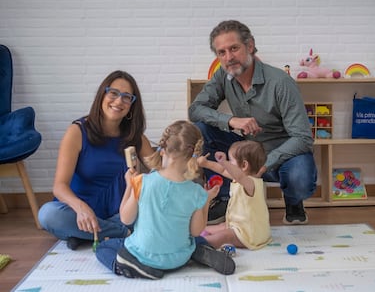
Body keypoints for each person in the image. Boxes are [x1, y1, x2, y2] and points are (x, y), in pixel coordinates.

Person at [188, 20, 317, 225]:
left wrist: (267, 162)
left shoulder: (281, 83)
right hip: (248, 149)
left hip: (284, 153)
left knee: (300, 180)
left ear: (249, 46)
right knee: (201, 130)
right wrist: (231, 120)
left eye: (234, 48)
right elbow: (195, 110)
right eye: (221, 52)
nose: (229, 58)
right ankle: (223, 197)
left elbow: (302, 138)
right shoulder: (223, 75)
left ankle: (293, 201)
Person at [95, 120, 236, 279]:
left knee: (103, 248)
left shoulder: (142, 181)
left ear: (162, 150)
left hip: (143, 255)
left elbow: (126, 218)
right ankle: (202, 251)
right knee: (193, 238)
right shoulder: (198, 192)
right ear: (193, 155)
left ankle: (131, 265)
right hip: (179, 258)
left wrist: (130, 185)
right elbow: (196, 231)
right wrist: (207, 200)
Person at [38, 70, 154, 250]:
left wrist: (184, 158)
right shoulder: (77, 132)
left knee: (154, 210)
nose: (118, 101)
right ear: (102, 94)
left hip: (120, 214)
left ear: (132, 105)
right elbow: (59, 186)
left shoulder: (136, 137)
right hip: (81, 214)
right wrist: (80, 208)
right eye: (113, 93)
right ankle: (121, 234)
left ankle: (88, 235)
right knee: (48, 214)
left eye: (126, 97)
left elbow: (162, 173)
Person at [197, 140, 272, 250]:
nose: (228, 164)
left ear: (244, 165)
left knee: (224, 236)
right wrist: (206, 164)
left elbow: (239, 176)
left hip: (249, 234)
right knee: (215, 227)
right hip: (239, 226)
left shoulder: (250, 183)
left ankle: (199, 245)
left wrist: (224, 162)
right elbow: (222, 170)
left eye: (231, 161)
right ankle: (194, 234)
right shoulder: (238, 179)